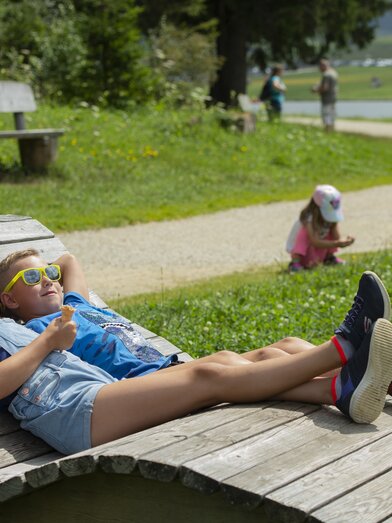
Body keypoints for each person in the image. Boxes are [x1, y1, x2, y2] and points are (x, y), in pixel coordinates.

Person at [0, 269, 391, 455]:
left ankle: (342, 384)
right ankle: (344, 350)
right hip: (72, 412)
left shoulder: (36, 317)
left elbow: (68, 264)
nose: (48, 278)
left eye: (48, 272)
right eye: (33, 276)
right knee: (211, 374)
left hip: (96, 395)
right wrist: (49, 340)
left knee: (220, 362)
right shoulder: (33, 327)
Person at [286, 184, 355, 273]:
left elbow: (336, 237)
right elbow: (314, 241)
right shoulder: (308, 218)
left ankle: (329, 258)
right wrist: (336, 243)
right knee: (303, 234)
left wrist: (345, 241)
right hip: (305, 250)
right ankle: (295, 263)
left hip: (318, 249)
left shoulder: (330, 219)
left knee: (328, 233)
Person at [312, 58, 338, 132]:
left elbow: (325, 88)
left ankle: (328, 132)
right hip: (333, 98)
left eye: (320, 66)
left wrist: (315, 90)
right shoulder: (333, 73)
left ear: (323, 66)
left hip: (327, 99)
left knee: (327, 117)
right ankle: (331, 131)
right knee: (331, 116)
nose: (319, 68)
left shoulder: (326, 75)